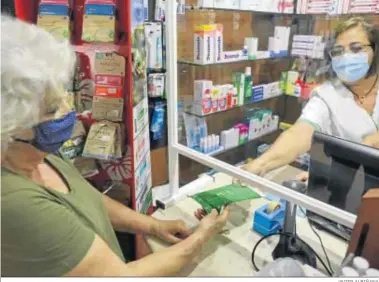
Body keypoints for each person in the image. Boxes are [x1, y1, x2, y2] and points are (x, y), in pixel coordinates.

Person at [1, 16, 230, 277]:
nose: (69, 111)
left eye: (64, 97)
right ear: (10, 126)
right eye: (52, 109)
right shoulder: (14, 202)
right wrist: (203, 236)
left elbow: (87, 199)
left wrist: (152, 226)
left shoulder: (38, 155)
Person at [241, 17, 379, 180]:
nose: (346, 57)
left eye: (356, 48)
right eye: (338, 51)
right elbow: (300, 133)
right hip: (351, 186)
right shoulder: (327, 95)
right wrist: (261, 164)